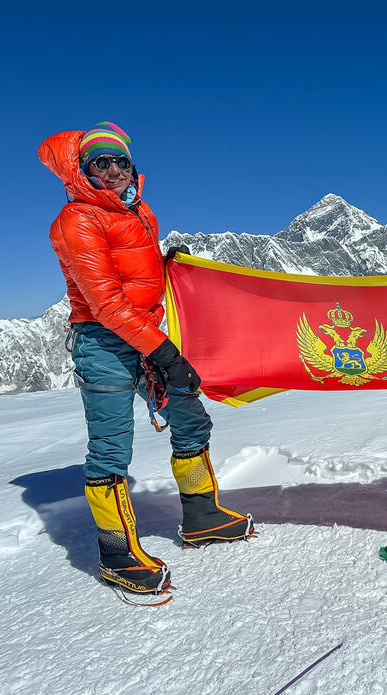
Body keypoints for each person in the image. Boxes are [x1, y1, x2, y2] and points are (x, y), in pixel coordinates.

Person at [38, 122, 255, 601]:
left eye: (121, 160)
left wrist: (167, 264)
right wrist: (164, 353)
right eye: (102, 162)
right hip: (104, 344)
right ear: (85, 170)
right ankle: (117, 557)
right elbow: (105, 303)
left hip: (146, 337)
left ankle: (202, 516)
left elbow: (133, 274)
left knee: (191, 419)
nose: (115, 169)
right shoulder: (77, 219)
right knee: (111, 450)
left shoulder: (137, 209)